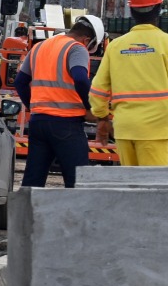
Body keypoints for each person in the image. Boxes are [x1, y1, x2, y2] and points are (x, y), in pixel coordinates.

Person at [90, 0, 168, 167]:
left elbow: (98, 90)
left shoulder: (116, 47)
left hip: (125, 126)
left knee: (129, 185)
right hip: (157, 127)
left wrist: (102, 118)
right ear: (159, 8)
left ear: (132, 11)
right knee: (151, 186)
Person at [15, 16, 104, 188]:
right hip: (66, 124)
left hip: (38, 123)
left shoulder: (39, 47)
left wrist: (33, 106)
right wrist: (91, 107)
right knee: (78, 183)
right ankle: (75, 215)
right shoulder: (76, 48)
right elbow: (80, 78)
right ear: (87, 39)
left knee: (32, 182)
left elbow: (20, 82)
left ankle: (25, 215)